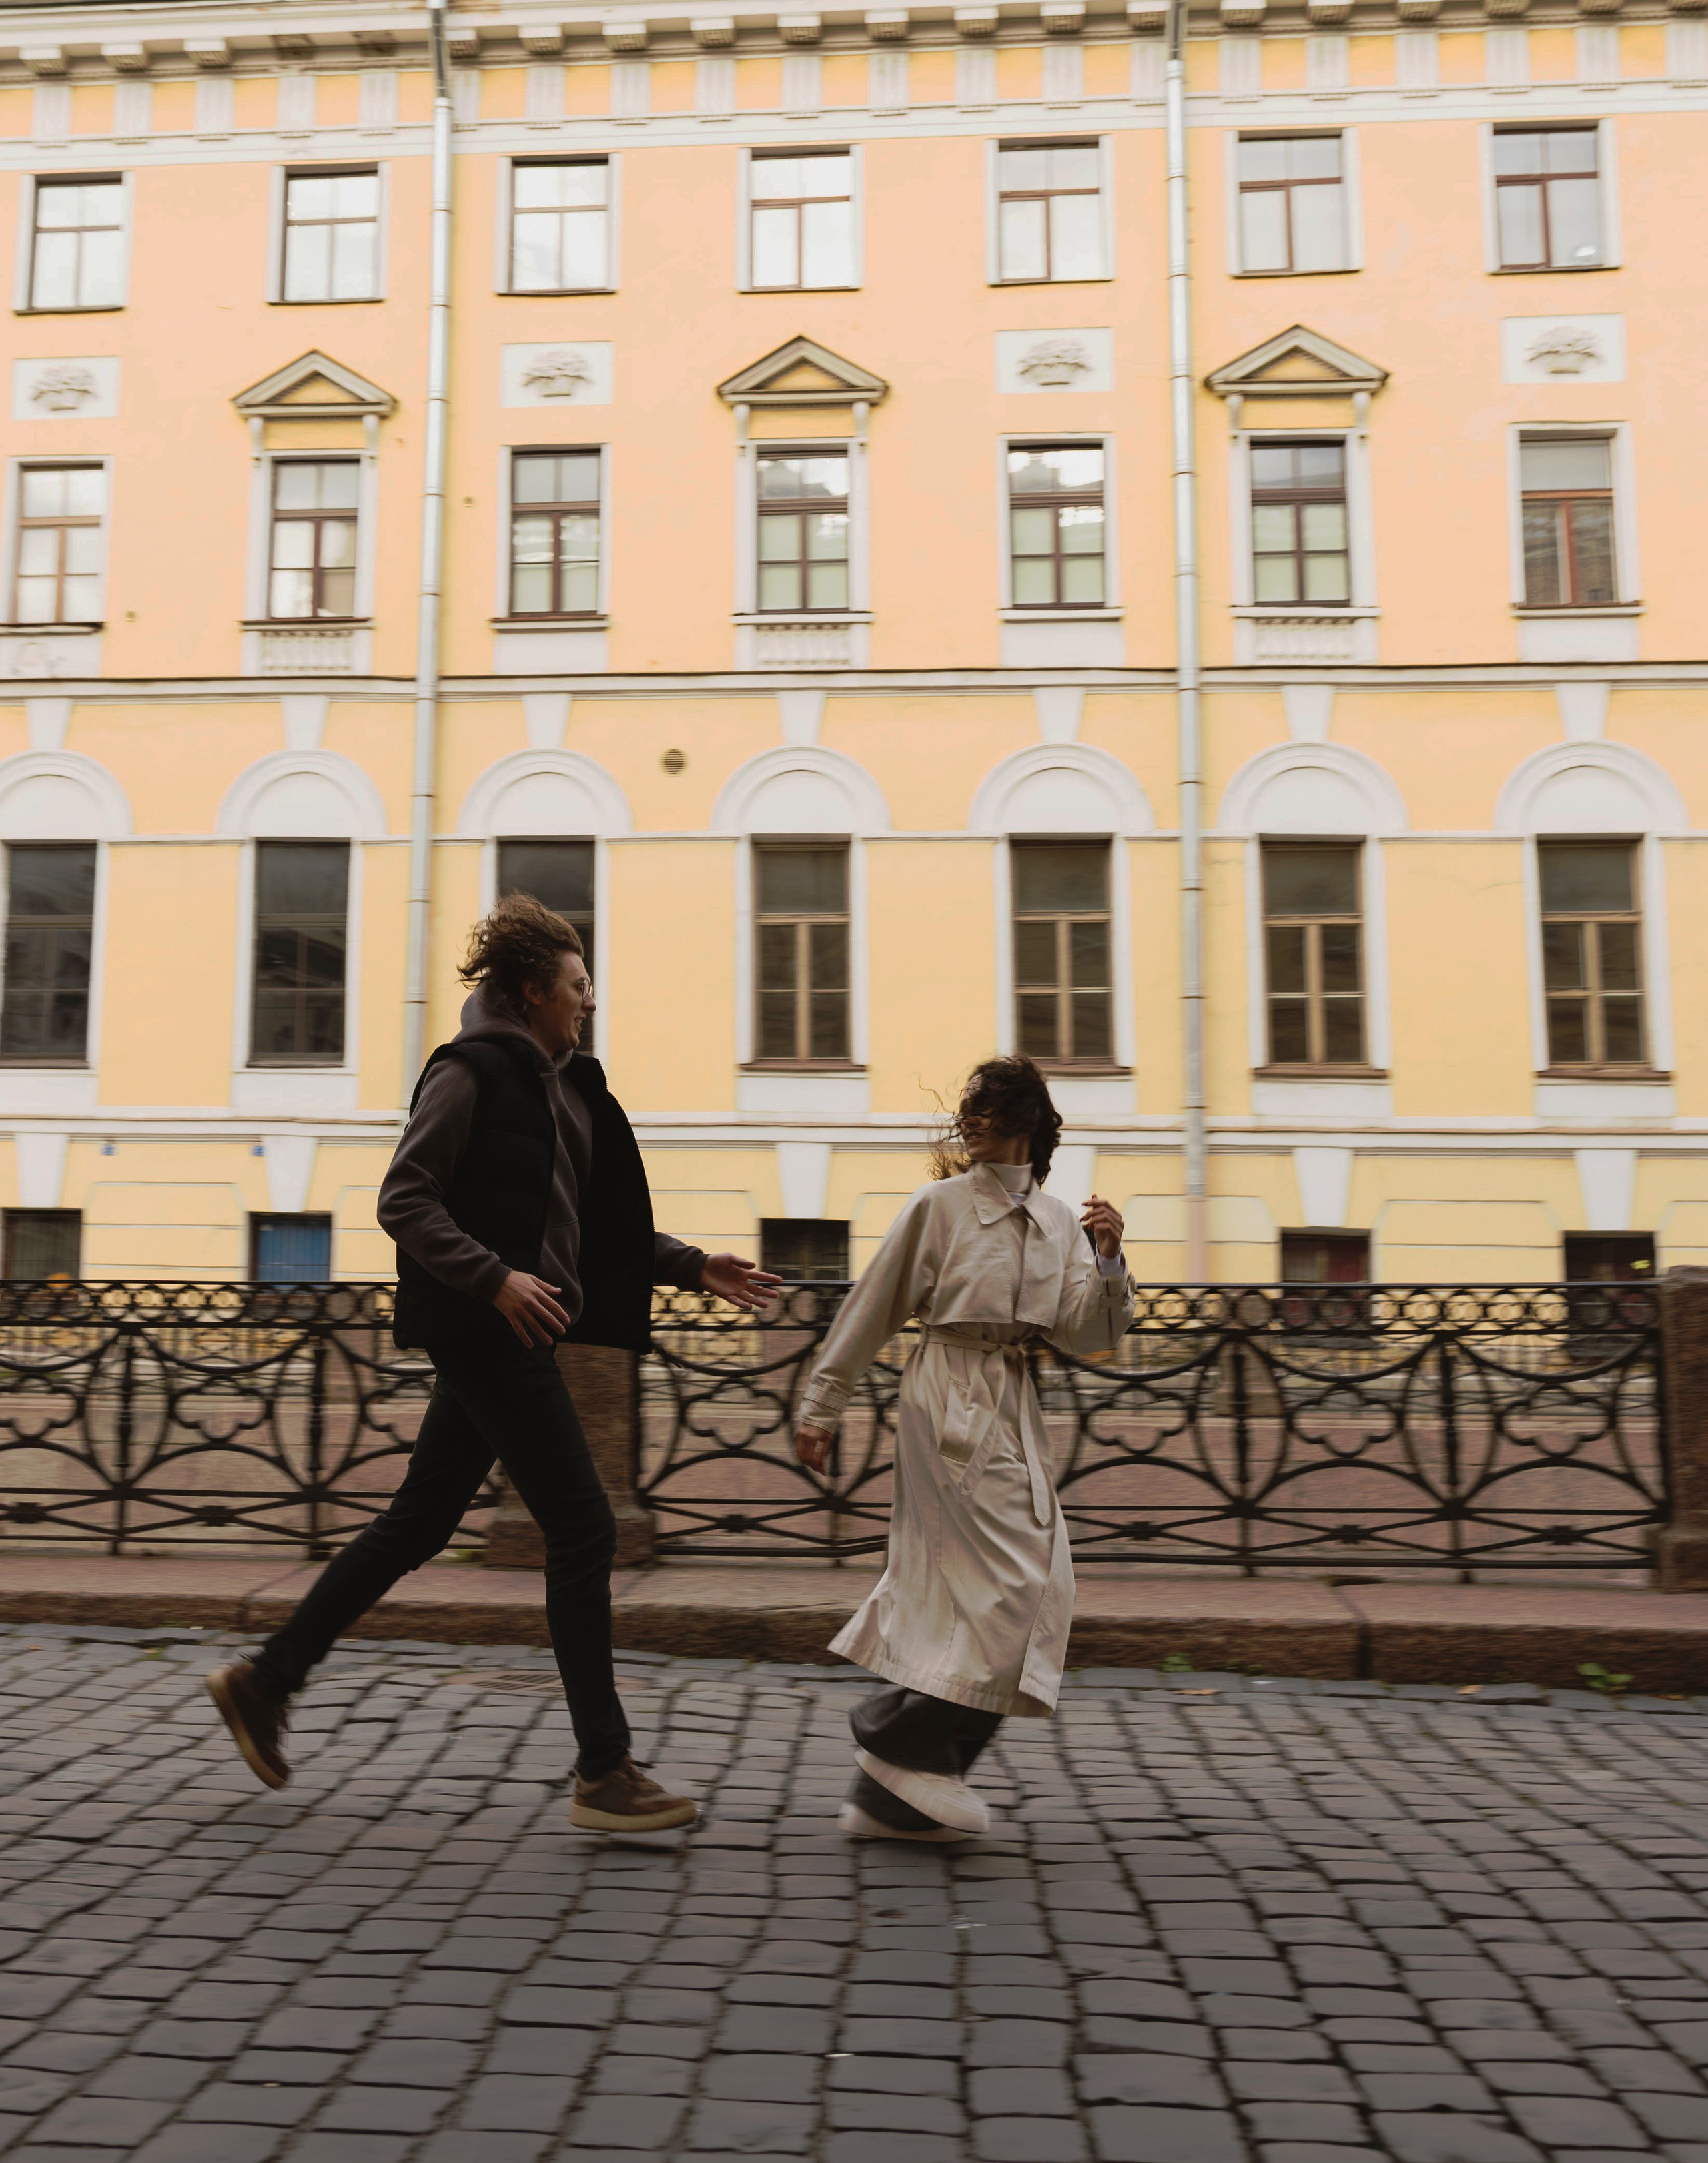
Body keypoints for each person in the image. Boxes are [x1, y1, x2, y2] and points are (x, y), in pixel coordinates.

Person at [207, 895, 779, 1833]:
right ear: (530, 990)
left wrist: (690, 1264)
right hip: (488, 1329)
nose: (589, 1000)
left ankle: (266, 1680)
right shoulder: (470, 1074)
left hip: (515, 1328)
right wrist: (497, 1281)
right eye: (577, 985)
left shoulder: (567, 1086)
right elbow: (406, 1198)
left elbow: (593, 1224)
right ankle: (605, 1768)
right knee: (586, 1530)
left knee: (420, 1521)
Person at [793, 1055, 1132, 1841]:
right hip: (946, 1399)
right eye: (967, 1107)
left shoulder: (1056, 1221)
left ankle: (907, 1764)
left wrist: (1109, 1258)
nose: (968, 1118)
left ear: (1026, 1121)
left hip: (1012, 1402)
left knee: (1040, 1583)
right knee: (1006, 1588)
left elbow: (1092, 1334)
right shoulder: (938, 1207)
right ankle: (898, 1749)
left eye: (986, 1107)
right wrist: (823, 1403)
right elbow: (872, 1305)